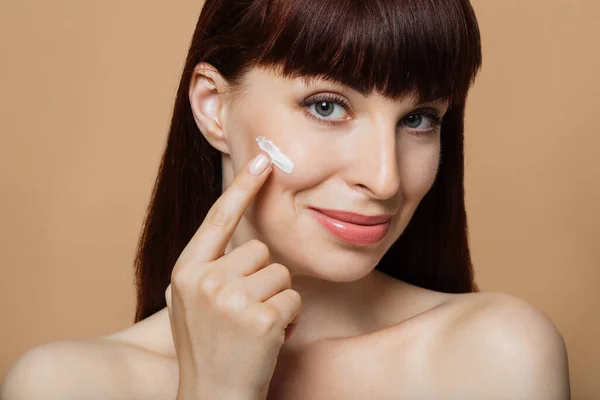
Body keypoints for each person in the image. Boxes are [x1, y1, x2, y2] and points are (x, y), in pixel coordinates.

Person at [1, 0, 571, 398]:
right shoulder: (67, 386)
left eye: (418, 119)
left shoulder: (496, 355)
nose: (386, 179)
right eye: (327, 106)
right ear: (213, 106)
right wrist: (217, 392)